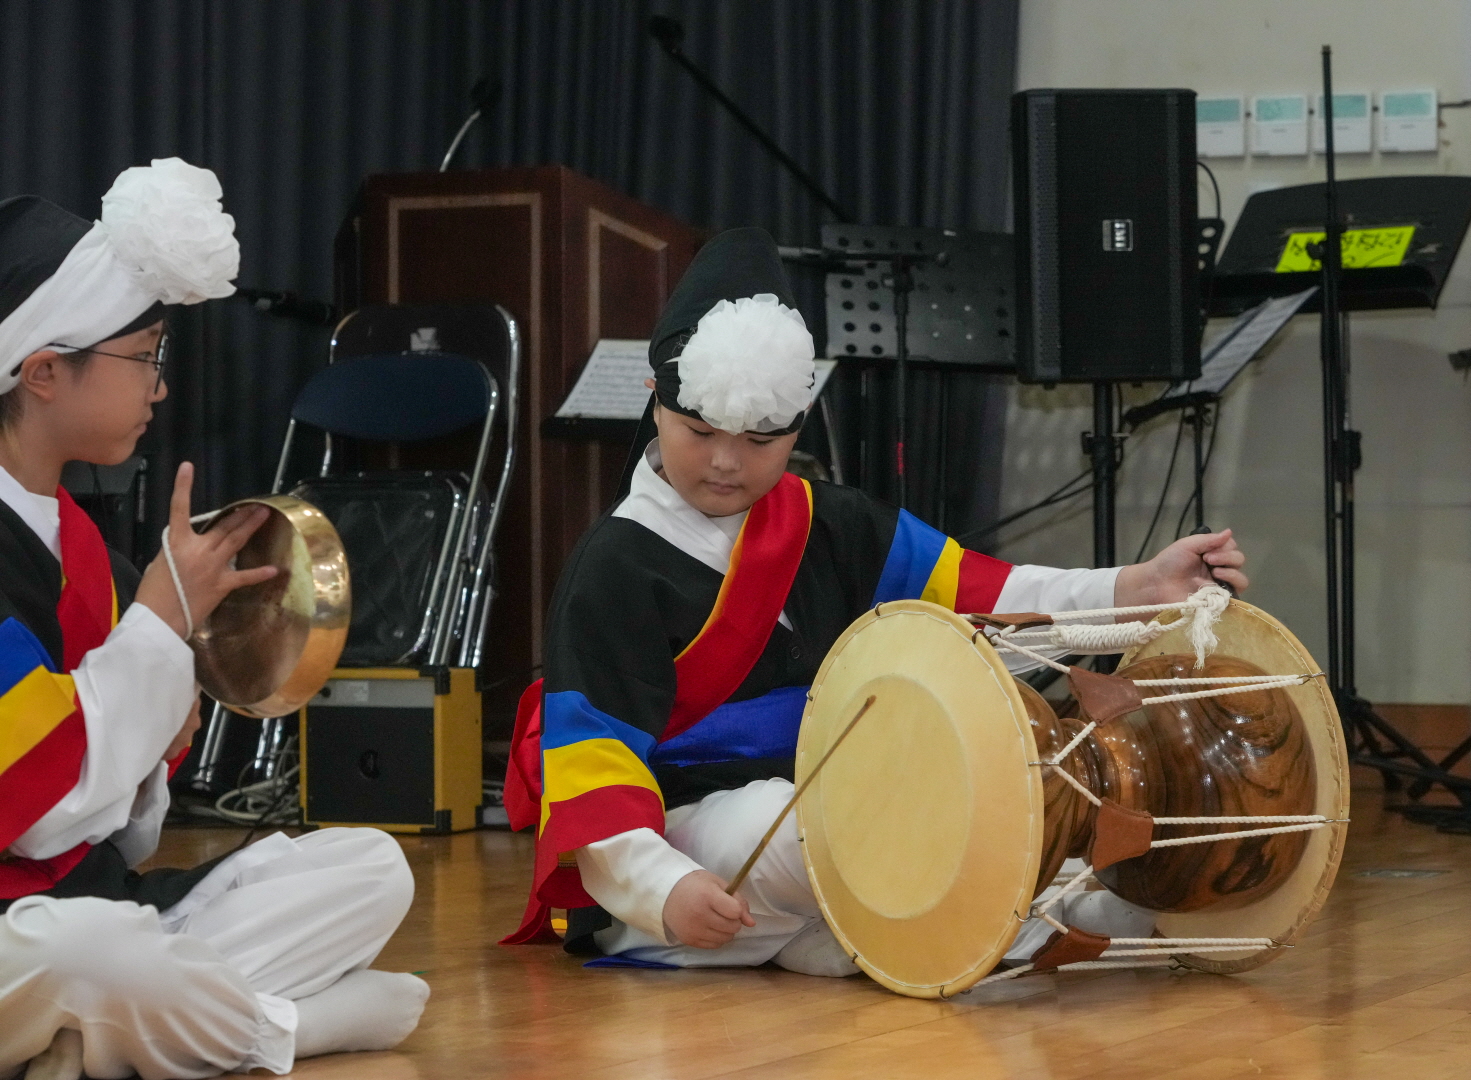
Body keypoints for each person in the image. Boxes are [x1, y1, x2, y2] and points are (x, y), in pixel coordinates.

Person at [503, 227, 1248, 975]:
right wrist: (662, 886)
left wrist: (1138, 588)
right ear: (655, 402)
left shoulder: (830, 521)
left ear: (797, 422)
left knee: (950, 781)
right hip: (690, 842)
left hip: (836, 816)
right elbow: (593, 765)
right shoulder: (613, 567)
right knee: (787, 823)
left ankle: (881, 928)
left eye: (760, 440)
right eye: (699, 431)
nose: (725, 461)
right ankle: (1010, 922)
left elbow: (989, 598)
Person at [0, 160, 427, 1080]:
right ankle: (283, 1028)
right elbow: (28, 808)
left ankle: (98, 1037)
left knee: (371, 867)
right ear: (43, 372)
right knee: (85, 953)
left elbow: (117, 832)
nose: (159, 386)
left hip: (96, 903)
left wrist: (159, 727)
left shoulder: (84, 546)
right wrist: (159, 623)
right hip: (22, 931)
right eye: (145, 356)